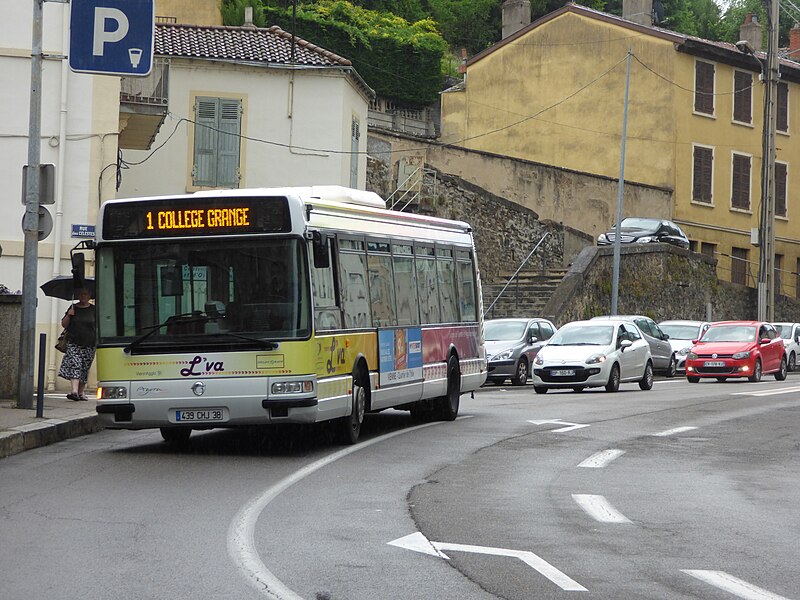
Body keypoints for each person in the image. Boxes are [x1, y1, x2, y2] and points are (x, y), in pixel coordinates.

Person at [58, 287, 96, 401]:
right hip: (74, 342)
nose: (83, 296)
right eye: (81, 294)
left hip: (90, 343)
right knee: (76, 364)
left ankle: (80, 392)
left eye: (85, 294)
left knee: (85, 367)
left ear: (89, 296)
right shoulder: (73, 307)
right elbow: (64, 324)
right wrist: (69, 315)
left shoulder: (93, 309)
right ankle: (74, 391)